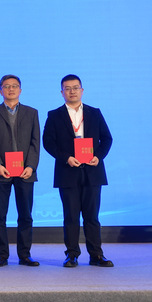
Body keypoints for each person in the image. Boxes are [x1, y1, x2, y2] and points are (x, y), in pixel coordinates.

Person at [43, 74, 114, 268]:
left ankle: (96, 255)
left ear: (82, 90)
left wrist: (98, 156)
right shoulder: (54, 115)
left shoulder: (95, 113)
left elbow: (107, 139)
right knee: (71, 217)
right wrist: (66, 157)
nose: (72, 91)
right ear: (61, 92)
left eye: (75, 88)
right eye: (67, 88)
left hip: (92, 171)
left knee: (92, 217)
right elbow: (48, 142)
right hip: (67, 171)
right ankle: (72, 254)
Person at [0, 75, 41, 267]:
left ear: (20, 90)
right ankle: (2, 255)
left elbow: (35, 143)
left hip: (25, 171)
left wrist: (31, 166)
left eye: (14, 86)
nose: (11, 89)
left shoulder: (32, 113)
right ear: (0, 90)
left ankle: (25, 255)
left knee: (25, 215)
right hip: (0, 172)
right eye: (6, 86)